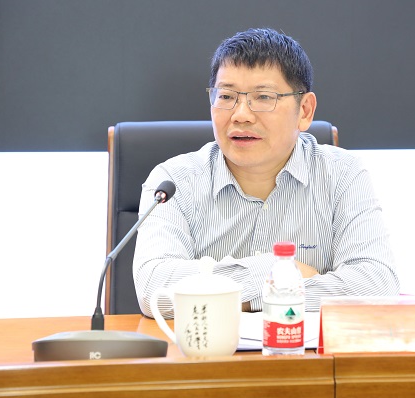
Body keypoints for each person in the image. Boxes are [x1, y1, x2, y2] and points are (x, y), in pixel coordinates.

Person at [133, 28, 399, 318]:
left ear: (305, 111)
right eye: (226, 96)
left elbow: (376, 286)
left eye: (263, 97)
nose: (241, 115)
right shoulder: (173, 182)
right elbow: (154, 289)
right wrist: (281, 271)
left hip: (302, 348)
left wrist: (235, 295)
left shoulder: (343, 175)